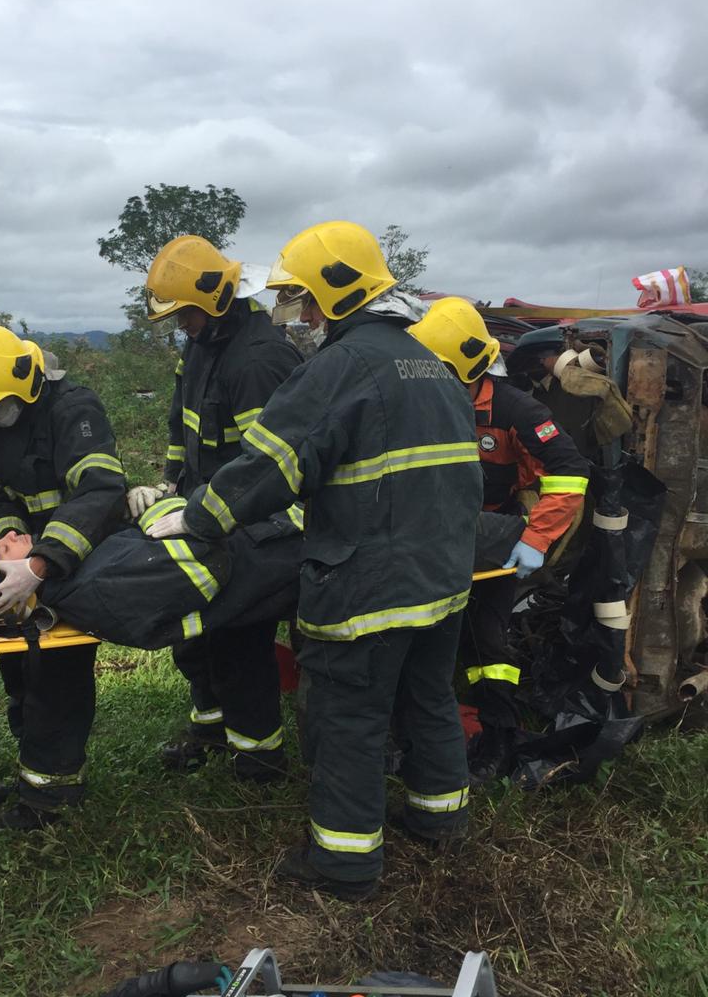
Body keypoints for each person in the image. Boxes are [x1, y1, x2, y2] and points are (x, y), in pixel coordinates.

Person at [147, 222, 482, 900]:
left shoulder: (338, 370)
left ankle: (344, 863)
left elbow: (269, 465)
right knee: (428, 696)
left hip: (368, 581)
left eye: (306, 299)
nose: (302, 315)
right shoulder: (427, 364)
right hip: (442, 577)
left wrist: (199, 517)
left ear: (335, 293)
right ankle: (440, 819)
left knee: (347, 717)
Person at [131, 235, 302, 782]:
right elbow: (183, 429)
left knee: (239, 639)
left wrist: (218, 517)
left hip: (259, 524)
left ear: (215, 300)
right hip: (208, 511)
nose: (181, 325)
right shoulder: (202, 347)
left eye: (185, 314)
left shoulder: (257, 359)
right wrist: (168, 484)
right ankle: (209, 727)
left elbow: (266, 467)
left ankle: (257, 758)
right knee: (198, 634)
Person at [0, 320, 127, 829]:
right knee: (19, 673)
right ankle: (34, 773)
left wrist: (41, 562)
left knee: (58, 680)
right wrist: (9, 540)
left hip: (73, 565)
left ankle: (51, 799)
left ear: (25, 382)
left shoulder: (73, 410)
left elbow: (99, 492)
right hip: (20, 568)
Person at [409, 297, 590, 779]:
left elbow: (570, 472)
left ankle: (498, 733)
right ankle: (434, 722)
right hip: (433, 531)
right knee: (435, 633)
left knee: (487, 637)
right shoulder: (425, 403)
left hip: (493, 532)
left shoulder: (514, 408)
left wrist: (536, 538)